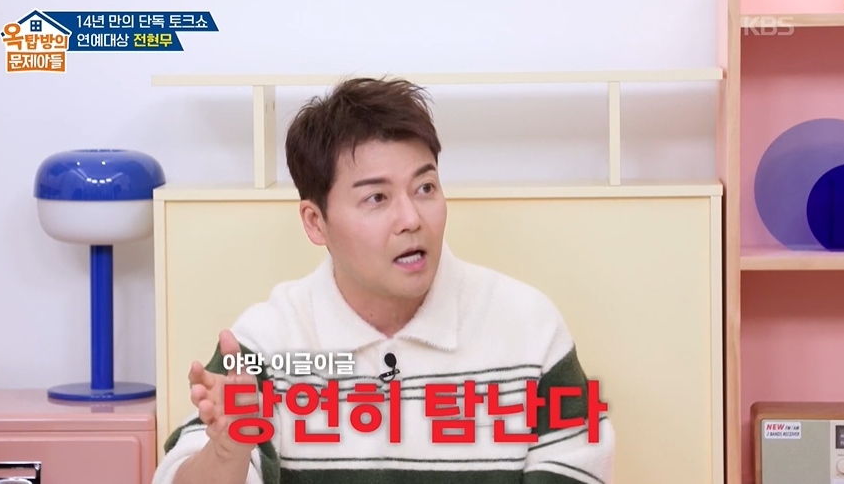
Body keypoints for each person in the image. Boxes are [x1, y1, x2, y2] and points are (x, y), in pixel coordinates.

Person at [152, 77, 615, 484]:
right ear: (315, 222)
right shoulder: (264, 346)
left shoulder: (530, 329)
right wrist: (229, 453)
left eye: (425, 188)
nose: (411, 218)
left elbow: (578, 467)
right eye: (377, 198)